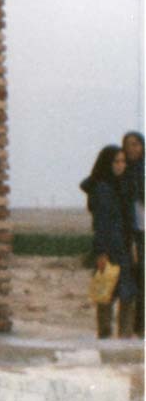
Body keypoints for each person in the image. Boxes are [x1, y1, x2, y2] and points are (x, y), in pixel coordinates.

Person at [80, 145, 136, 338]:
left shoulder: (120, 185)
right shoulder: (103, 189)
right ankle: (108, 338)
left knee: (125, 294)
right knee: (107, 293)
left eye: (123, 161)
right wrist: (101, 252)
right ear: (107, 163)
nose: (121, 165)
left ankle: (122, 338)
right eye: (116, 161)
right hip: (110, 248)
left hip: (123, 247)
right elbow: (101, 224)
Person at [122, 131, 144, 338]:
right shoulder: (123, 173)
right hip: (131, 234)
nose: (134, 148)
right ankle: (134, 328)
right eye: (130, 144)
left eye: (137, 143)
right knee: (133, 281)